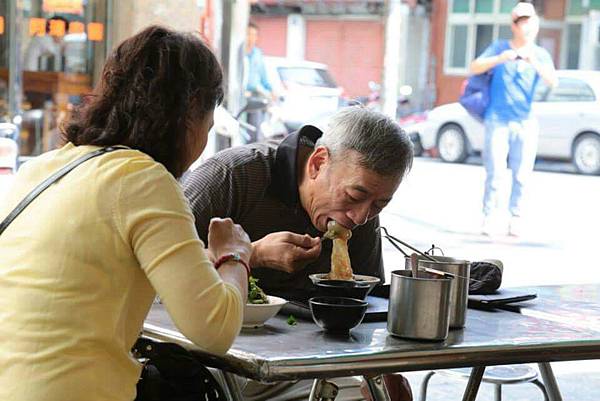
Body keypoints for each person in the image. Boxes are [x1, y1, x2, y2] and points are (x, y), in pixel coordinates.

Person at [0, 25, 251, 401]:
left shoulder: (42, 168)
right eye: (208, 126)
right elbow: (214, 329)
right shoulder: (143, 179)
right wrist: (235, 255)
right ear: (190, 112)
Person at [182, 106, 414, 401]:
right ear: (318, 163)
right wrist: (252, 254)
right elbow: (155, 267)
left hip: (308, 364)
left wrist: (387, 373)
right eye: (354, 196)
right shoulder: (232, 176)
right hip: (212, 356)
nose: (360, 217)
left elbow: (366, 307)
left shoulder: (361, 215)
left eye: (379, 205)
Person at [470, 1, 557, 237]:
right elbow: (475, 66)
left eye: (529, 21)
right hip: (497, 119)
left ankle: (515, 217)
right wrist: (500, 58)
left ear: (536, 24)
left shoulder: (540, 54)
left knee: (522, 174)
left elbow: (553, 82)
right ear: (513, 25)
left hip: (525, 121)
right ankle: (489, 216)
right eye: (520, 22)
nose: (525, 26)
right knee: (495, 172)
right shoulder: (500, 47)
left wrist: (533, 62)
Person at [243, 22, 274, 142]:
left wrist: (270, 90)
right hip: (242, 96)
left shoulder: (257, 54)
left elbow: (263, 76)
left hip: (255, 96)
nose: (251, 38)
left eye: (254, 35)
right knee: (242, 131)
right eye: (248, 34)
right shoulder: (240, 53)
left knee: (255, 131)